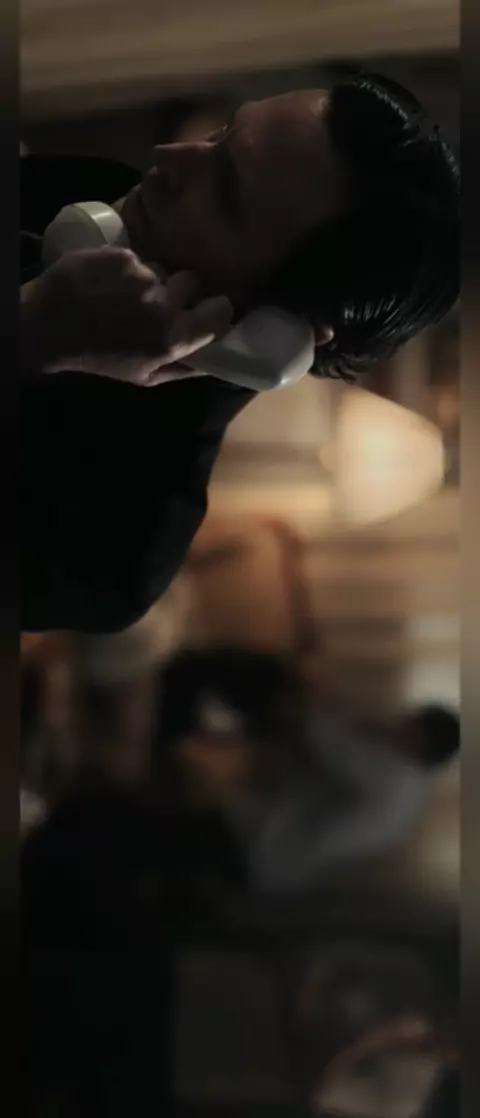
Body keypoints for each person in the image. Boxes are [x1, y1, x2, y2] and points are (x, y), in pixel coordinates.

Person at [21, 73, 459, 633]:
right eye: (221, 133)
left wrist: (33, 336)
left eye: (226, 190)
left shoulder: (109, 557)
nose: (170, 155)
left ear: (279, 329)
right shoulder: (98, 193)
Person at [155, 647, 460, 892]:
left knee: (166, 836)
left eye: (411, 721)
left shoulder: (393, 777)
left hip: (260, 844)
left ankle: (173, 683)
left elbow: (323, 739)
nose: (400, 720)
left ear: (420, 738)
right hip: (272, 855)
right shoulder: (410, 792)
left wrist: (310, 684)